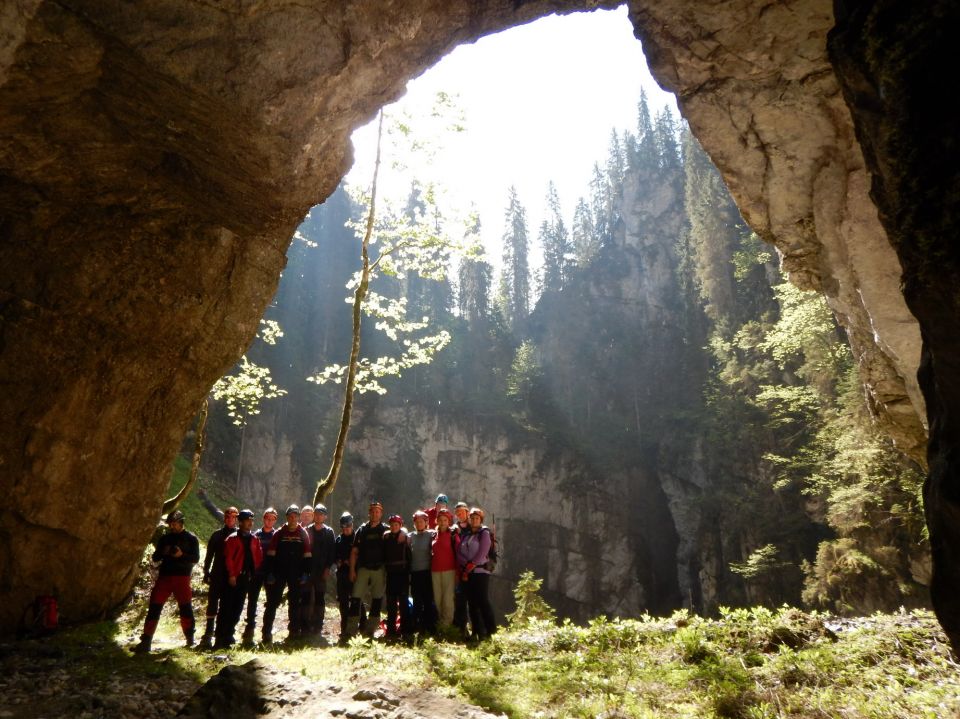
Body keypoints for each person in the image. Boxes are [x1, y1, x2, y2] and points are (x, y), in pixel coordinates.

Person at [133, 510, 200, 653]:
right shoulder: (165, 539)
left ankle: (190, 639)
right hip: (165, 577)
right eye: (170, 524)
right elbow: (156, 557)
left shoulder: (191, 539)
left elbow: (195, 559)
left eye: (174, 524)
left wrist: (181, 555)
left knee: (185, 607)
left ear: (181, 523)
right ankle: (146, 641)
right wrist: (163, 552)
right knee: (154, 607)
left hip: (182, 578)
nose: (172, 526)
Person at [262, 505, 312, 643]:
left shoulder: (303, 533)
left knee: (294, 602)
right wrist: (270, 572)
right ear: (287, 517)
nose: (293, 518)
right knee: (272, 602)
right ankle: (266, 632)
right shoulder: (279, 533)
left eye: (295, 516)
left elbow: (307, 555)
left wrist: (306, 573)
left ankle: (294, 632)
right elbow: (271, 554)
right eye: (290, 516)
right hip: (279, 572)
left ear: (298, 517)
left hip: (296, 573)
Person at [214, 509, 262, 648]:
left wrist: (254, 574)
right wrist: (232, 575)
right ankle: (220, 638)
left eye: (251, 520)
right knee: (226, 607)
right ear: (240, 522)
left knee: (238, 608)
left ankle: (229, 635)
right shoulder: (232, 539)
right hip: (232, 578)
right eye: (247, 520)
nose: (250, 523)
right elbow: (228, 558)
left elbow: (258, 557)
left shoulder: (254, 539)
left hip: (245, 578)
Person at [199, 505, 238, 648]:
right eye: (227, 517)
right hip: (217, 574)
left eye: (233, 517)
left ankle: (223, 634)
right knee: (212, 604)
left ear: (236, 519)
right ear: (224, 518)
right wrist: (206, 571)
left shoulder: (239, 535)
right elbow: (209, 555)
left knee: (227, 606)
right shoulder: (217, 535)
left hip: (231, 575)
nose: (230, 519)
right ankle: (208, 634)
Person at [348, 501, 387, 637]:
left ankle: (370, 631)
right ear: (369, 513)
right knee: (355, 598)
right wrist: (352, 570)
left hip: (379, 569)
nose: (375, 514)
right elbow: (354, 552)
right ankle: (351, 631)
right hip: (363, 568)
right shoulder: (362, 530)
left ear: (381, 514)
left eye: (377, 511)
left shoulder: (385, 530)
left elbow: (400, 532)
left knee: (376, 600)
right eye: (372, 511)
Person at [457, 507, 496, 641]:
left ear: (481, 520)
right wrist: (466, 565)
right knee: (472, 603)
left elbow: (483, 551)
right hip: (468, 573)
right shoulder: (466, 534)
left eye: (477, 518)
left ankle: (490, 631)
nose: (474, 520)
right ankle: (476, 631)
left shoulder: (484, 533)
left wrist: (471, 564)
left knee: (483, 601)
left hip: (480, 572)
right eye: (472, 518)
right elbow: (459, 552)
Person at [241, 507, 278, 644]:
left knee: (271, 603)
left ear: (275, 520)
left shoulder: (277, 536)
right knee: (252, 601)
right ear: (263, 519)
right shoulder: (256, 535)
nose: (269, 521)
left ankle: (267, 632)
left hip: (270, 574)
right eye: (267, 518)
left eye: (272, 519)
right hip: (256, 573)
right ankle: (249, 629)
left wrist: (274, 573)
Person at [303, 503, 336, 636]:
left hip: (322, 571)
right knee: (306, 597)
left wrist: (328, 568)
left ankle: (318, 625)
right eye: (316, 514)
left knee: (319, 598)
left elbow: (332, 552)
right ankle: (305, 625)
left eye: (321, 514)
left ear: (325, 517)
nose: (318, 516)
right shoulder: (307, 530)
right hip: (308, 570)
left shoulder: (329, 532)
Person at [334, 512, 365, 642]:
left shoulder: (357, 538)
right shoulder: (339, 540)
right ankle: (345, 628)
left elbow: (362, 555)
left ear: (352, 525)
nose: (346, 529)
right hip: (342, 574)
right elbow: (334, 555)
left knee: (357, 600)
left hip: (355, 574)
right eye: (344, 527)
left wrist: (352, 563)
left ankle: (363, 626)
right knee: (343, 602)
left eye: (348, 526)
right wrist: (339, 561)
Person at [382, 514, 411, 639]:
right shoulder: (386, 537)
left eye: (396, 525)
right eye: (392, 525)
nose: (394, 527)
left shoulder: (405, 538)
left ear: (400, 525)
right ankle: (391, 630)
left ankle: (405, 630)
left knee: (403, 604)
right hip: (391, 574)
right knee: (391, 604)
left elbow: (409, 556)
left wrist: (409, 572)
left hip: (403, 574)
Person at [408, 510, 436, 635]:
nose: (419, 524)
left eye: (421, 521)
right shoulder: (410, 536)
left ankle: (429, 626)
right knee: (417, 600)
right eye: (417, 522)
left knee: (428, 600)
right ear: (414, 523)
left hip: (427, 572)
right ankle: (416, 626)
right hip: (415, 573)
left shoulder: (431, 535)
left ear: (426, 522)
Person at [431, 508, 459, 630]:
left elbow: (459, 554)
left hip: (450, 571)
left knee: (448, 599)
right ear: (437, 521)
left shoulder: (453, 535)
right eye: (440, 520)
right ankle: (439, 624)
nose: (442, 522)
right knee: (437, 598)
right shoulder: (433, 535)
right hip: (435, 571)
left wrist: (458, 573)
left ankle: (447, 626)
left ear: (449, 522)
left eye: (445, 520)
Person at [452, 501, 470, 635]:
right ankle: (461, 627)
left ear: (467, 512)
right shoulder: (454, 529)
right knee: (460, 598)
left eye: (461, 512)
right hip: (459, 568)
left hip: (473, 568)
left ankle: (478, 628)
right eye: (457, 513)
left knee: (475, 599)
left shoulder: (474, 527)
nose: (459, 515)